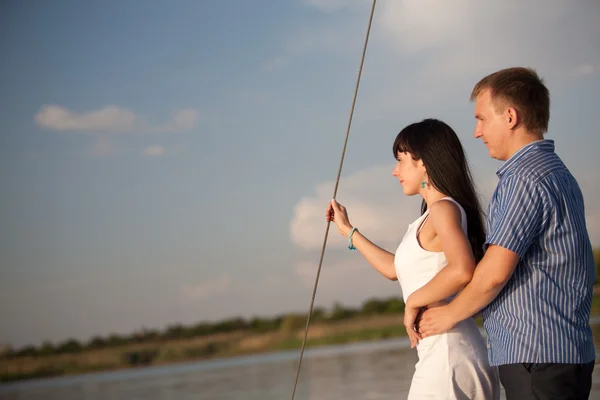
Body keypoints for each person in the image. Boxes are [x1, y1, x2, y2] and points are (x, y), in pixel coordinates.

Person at [418, 67, 596, 399]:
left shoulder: (523, 179)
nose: (476, 132)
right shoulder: (558, 172)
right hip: (563, 354)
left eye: (482, 119)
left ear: (510, 116)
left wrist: (448, 315)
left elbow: (495, 273)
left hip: (537, 358)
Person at [326, 118, 500, 399]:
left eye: (400, 160)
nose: (395, 172)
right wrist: (348, 229)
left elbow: (462, 269)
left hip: (449, 358)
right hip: (442, 355)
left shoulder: (444, 209)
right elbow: (395, 270)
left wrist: (413, 302)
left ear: (425, 163)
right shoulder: (430, 217)